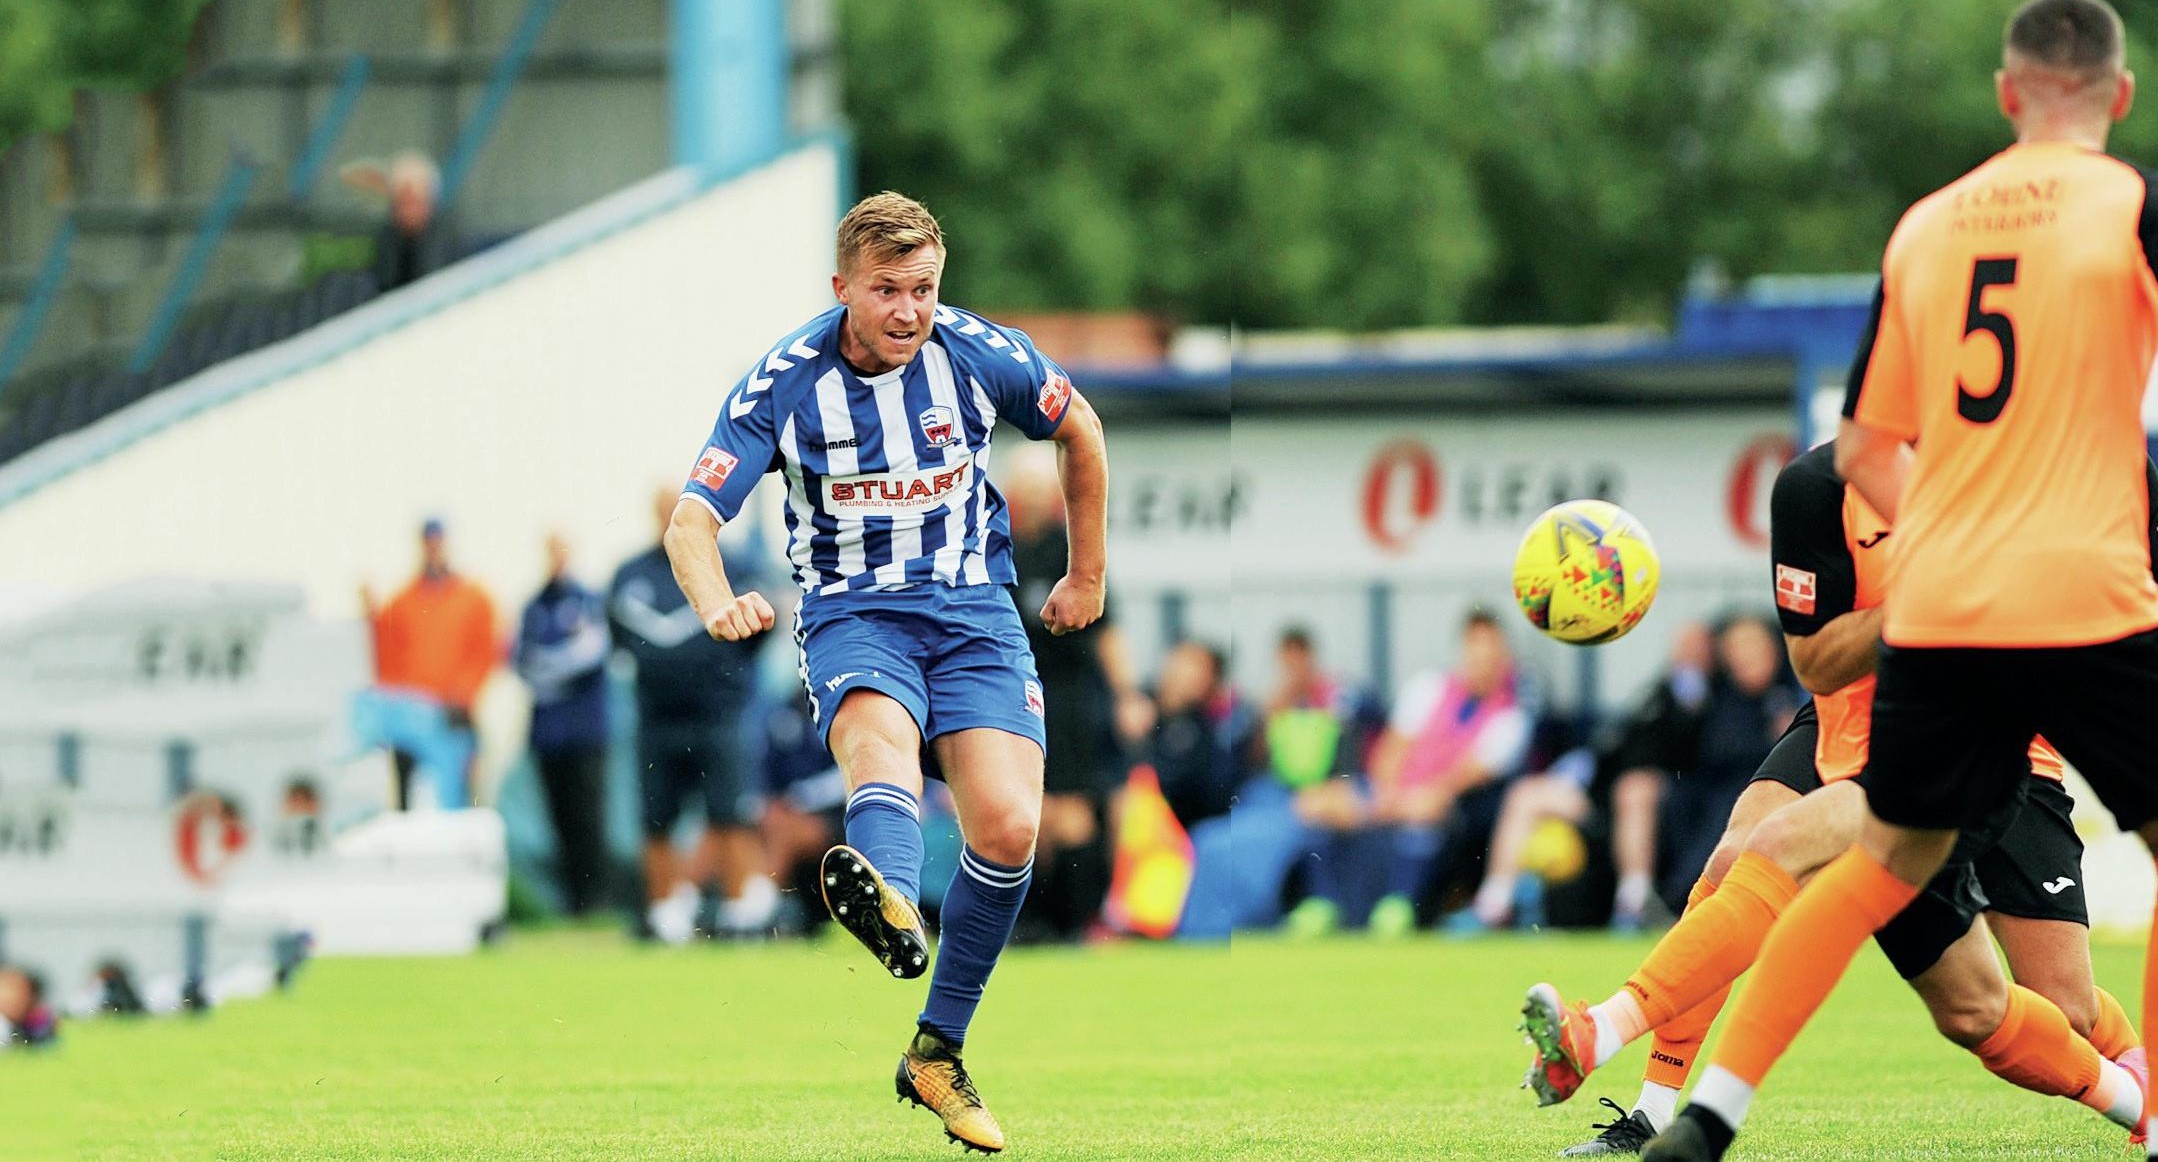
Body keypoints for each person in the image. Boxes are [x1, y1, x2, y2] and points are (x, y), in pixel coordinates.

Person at [1641, 3, 2158, 1156]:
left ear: (2005, 93)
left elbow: (1868, 444)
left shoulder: (1926, 227)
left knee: (1877, 861)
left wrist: (1951, 536)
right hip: (2083, 585)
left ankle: (1709, 1112)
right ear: (2118, 97)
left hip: (1950, 607)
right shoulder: (2129, 206)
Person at [1522, 440, 2157, 1155]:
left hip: (1989, 736)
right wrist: (1925, 598)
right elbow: (1815, 661)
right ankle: (1647, 1099)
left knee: (2027, 1010)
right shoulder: (1817, 487)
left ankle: (2141, 1095)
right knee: (1744, 854)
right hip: (1850, 720)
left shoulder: (2031, 460)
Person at [662, 191, 1111, 1154]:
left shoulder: (978, 354)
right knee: (879, 747)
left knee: (1011, 826)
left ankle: (935, 1052)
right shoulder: (785, 381)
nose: (909, 311)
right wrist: (715, 602)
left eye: (923, 289)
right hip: (853, 613)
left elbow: (1081, 428)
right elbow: (691, 521)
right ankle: (893, 899)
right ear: (843, 289)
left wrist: (1086, 573)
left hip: (974, 610)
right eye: (886, 291)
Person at [1288, 608, 1534, 937]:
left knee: (1425, 809)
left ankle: (1399, 904)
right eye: (1476, 652)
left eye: (1491, 656)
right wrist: (1386, 793)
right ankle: (1323, 904)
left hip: (1445, 804)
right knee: (1311, 803)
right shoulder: (1428, 687)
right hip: (1392, 793)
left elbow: (1461, 778)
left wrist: (1407, 801)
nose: (1483, 663)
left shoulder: (1511, 717)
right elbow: (1392, 748)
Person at [609, 488, 776, 943]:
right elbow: (619, 637)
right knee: (656, 818)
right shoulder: (632, 574)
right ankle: (666, 914)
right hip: (657, 717)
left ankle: (743, 911)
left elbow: (761, 629)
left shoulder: (733, 566)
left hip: (718, 714)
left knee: (731, 813)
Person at [1467, 622, 1712, 932]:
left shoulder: (1712, 698)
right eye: (1682, 645)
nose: (1687, 653)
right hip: (1599, 798)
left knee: (1634, 789)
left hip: (1655, 801)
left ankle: (1634, 903)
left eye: (1696, 645)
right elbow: (1616, 745)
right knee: (1525, 794)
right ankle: (1494, 904)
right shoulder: (1657, 693)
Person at [1002, 443, 1153, 943]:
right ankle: (1036, 922)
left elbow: (1107, 632)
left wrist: (1128, 694)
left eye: (1039, 488)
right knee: (1029, 814)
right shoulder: (1000, 550)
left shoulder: (1072, 550)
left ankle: (1081, 920)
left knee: (1072, 810)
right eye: (1024, 488)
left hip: (1069, 699)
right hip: (1015, 694)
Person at [362, 517, 497, 809]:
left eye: (438, 541)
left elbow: (484, 653)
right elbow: (385, 658)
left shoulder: (474, 599)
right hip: (411, 722)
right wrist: (369, 614)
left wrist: (463, 694)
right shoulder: (401, 603)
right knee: (409, 802)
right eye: (428, 542)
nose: (433, 549)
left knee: (458, 801)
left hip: (454, 719)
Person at [512, 532, 613, 917]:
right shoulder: (534, 605)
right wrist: (560, 667)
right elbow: (522, 662)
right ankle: (573, 904)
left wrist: (551, 669)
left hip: (585, 732)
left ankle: (596, 903)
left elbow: (591, 654)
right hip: (549, 736)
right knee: (559, 821)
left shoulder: (588, 600)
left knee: (589, 818)